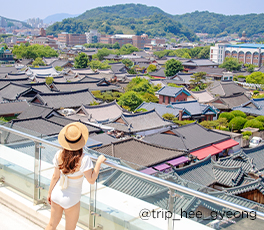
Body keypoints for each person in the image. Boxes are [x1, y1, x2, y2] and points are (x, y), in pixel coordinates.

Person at [45, 122, 106, 230]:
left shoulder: (59, 154)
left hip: (56, 194)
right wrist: (98, 163)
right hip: (71, 198)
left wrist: (49, 193)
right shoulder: (84, 158)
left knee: (51, 225)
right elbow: (91, 180)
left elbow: (55, 176)